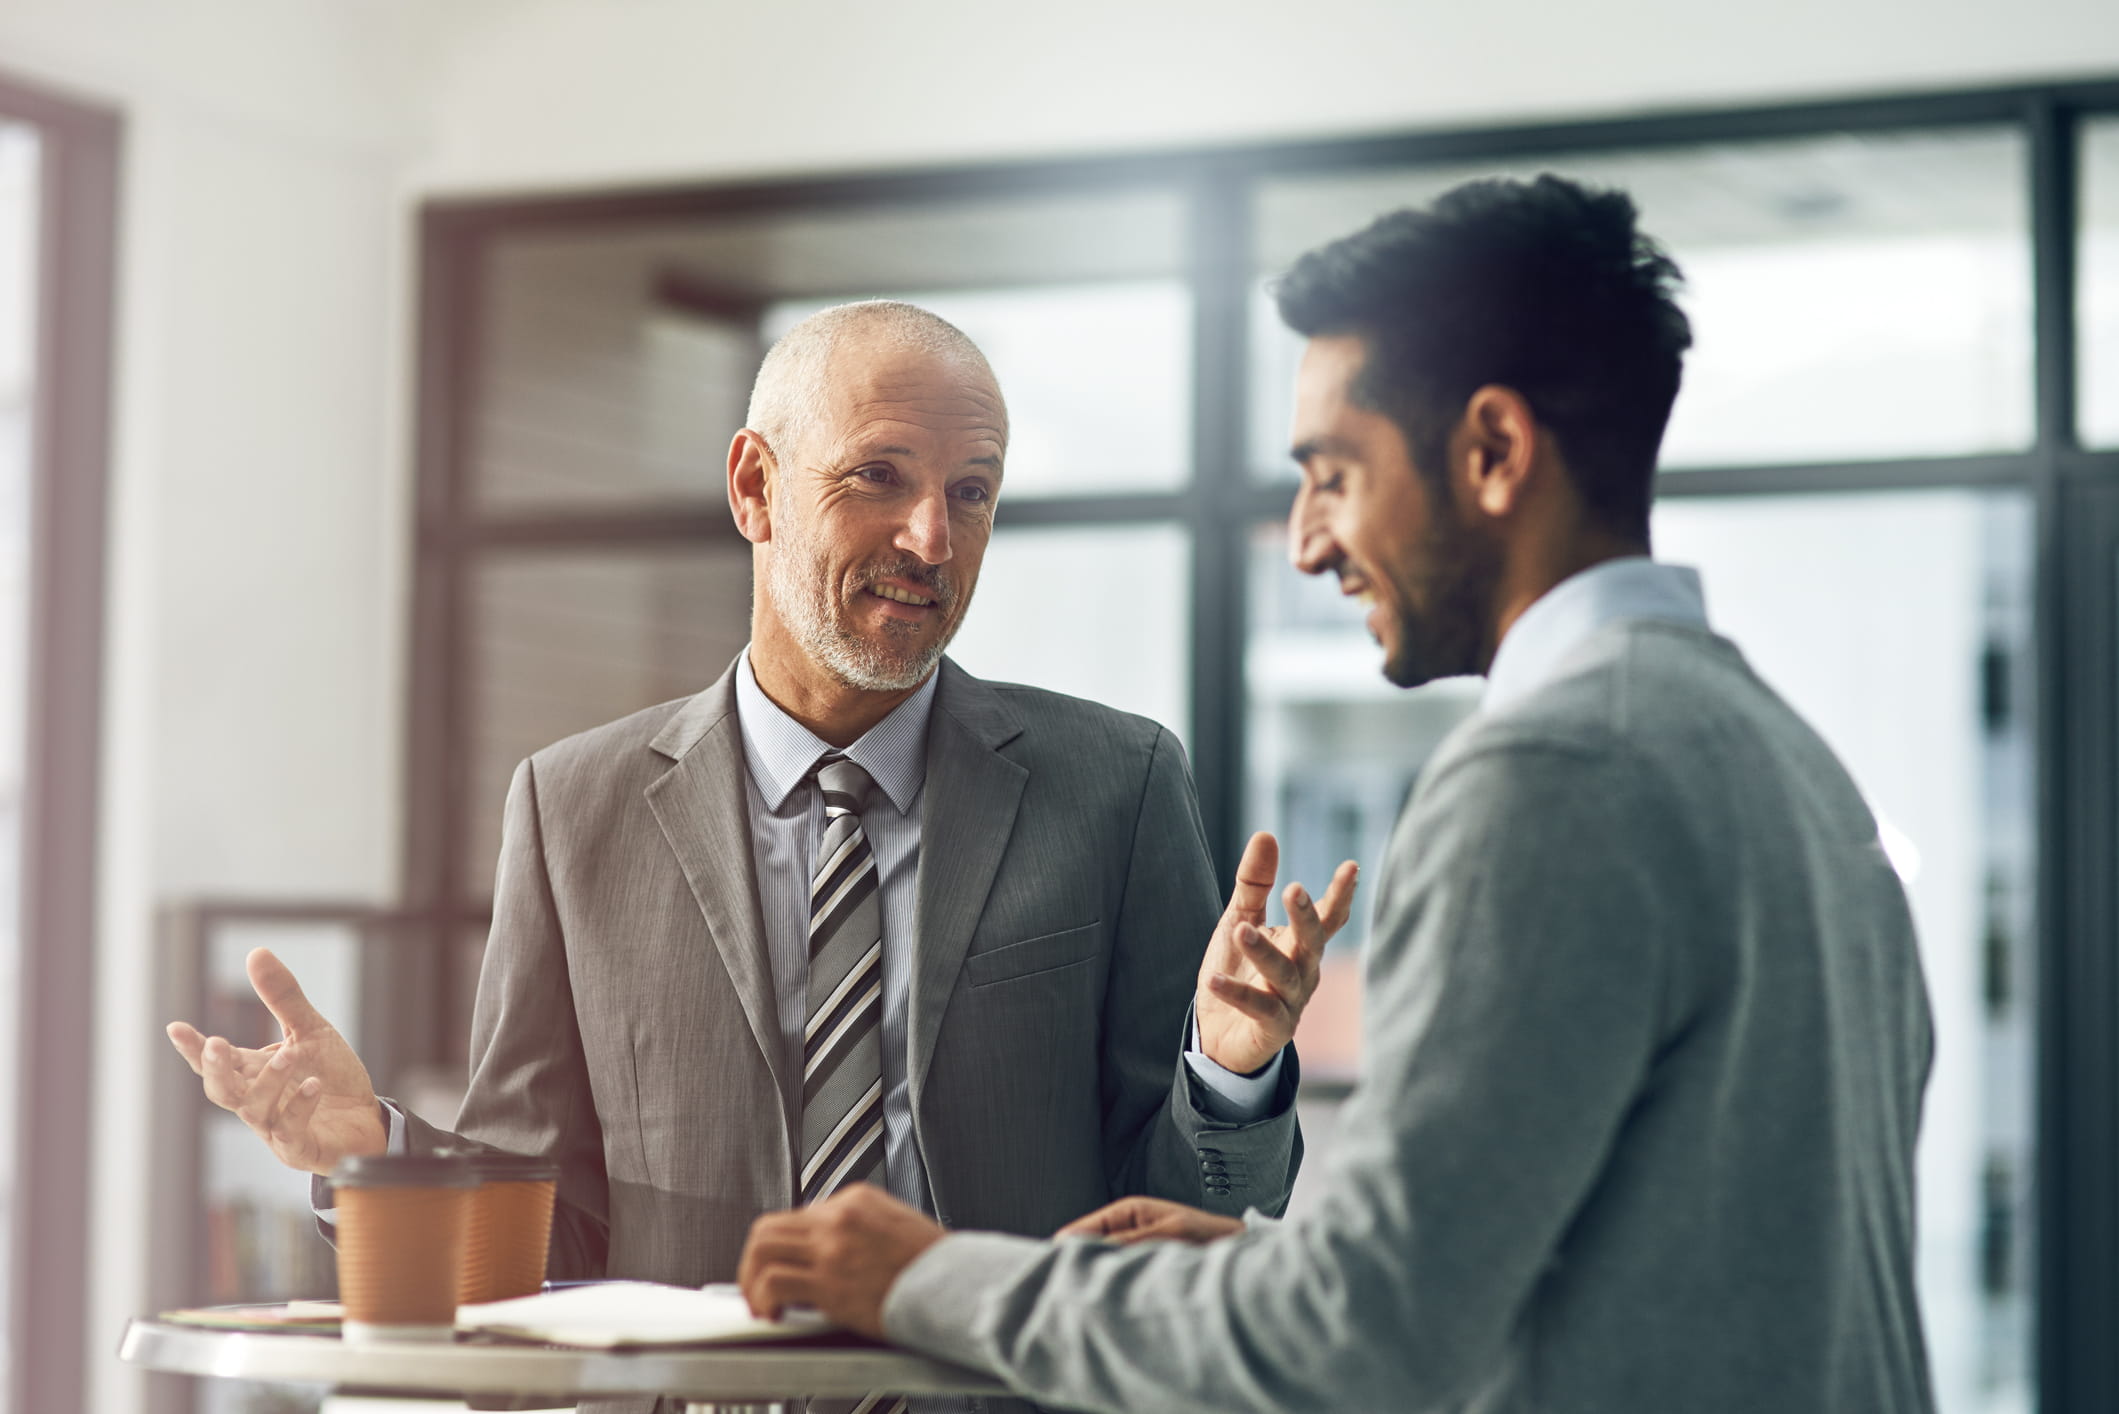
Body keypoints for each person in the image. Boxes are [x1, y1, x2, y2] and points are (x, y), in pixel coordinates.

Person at [734, 178, 1939, 1414]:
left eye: (1334, 472)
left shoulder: (1547, 778)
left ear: (1491, 452)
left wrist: (935, 1281)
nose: (1308, 540)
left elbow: (1355, 1346)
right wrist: (1269, 1270)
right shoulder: (1791, 767)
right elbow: (1625, 1279)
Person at [166, 301, 1358, 1411]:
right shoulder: (573, 808)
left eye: (974, 490)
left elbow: (1189, 1224)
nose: (932, 535)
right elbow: (546, 1239)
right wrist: (369, 1149)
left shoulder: (1116, 785)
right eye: (878, 477)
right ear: (755, 486)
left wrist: (1232, 1068)